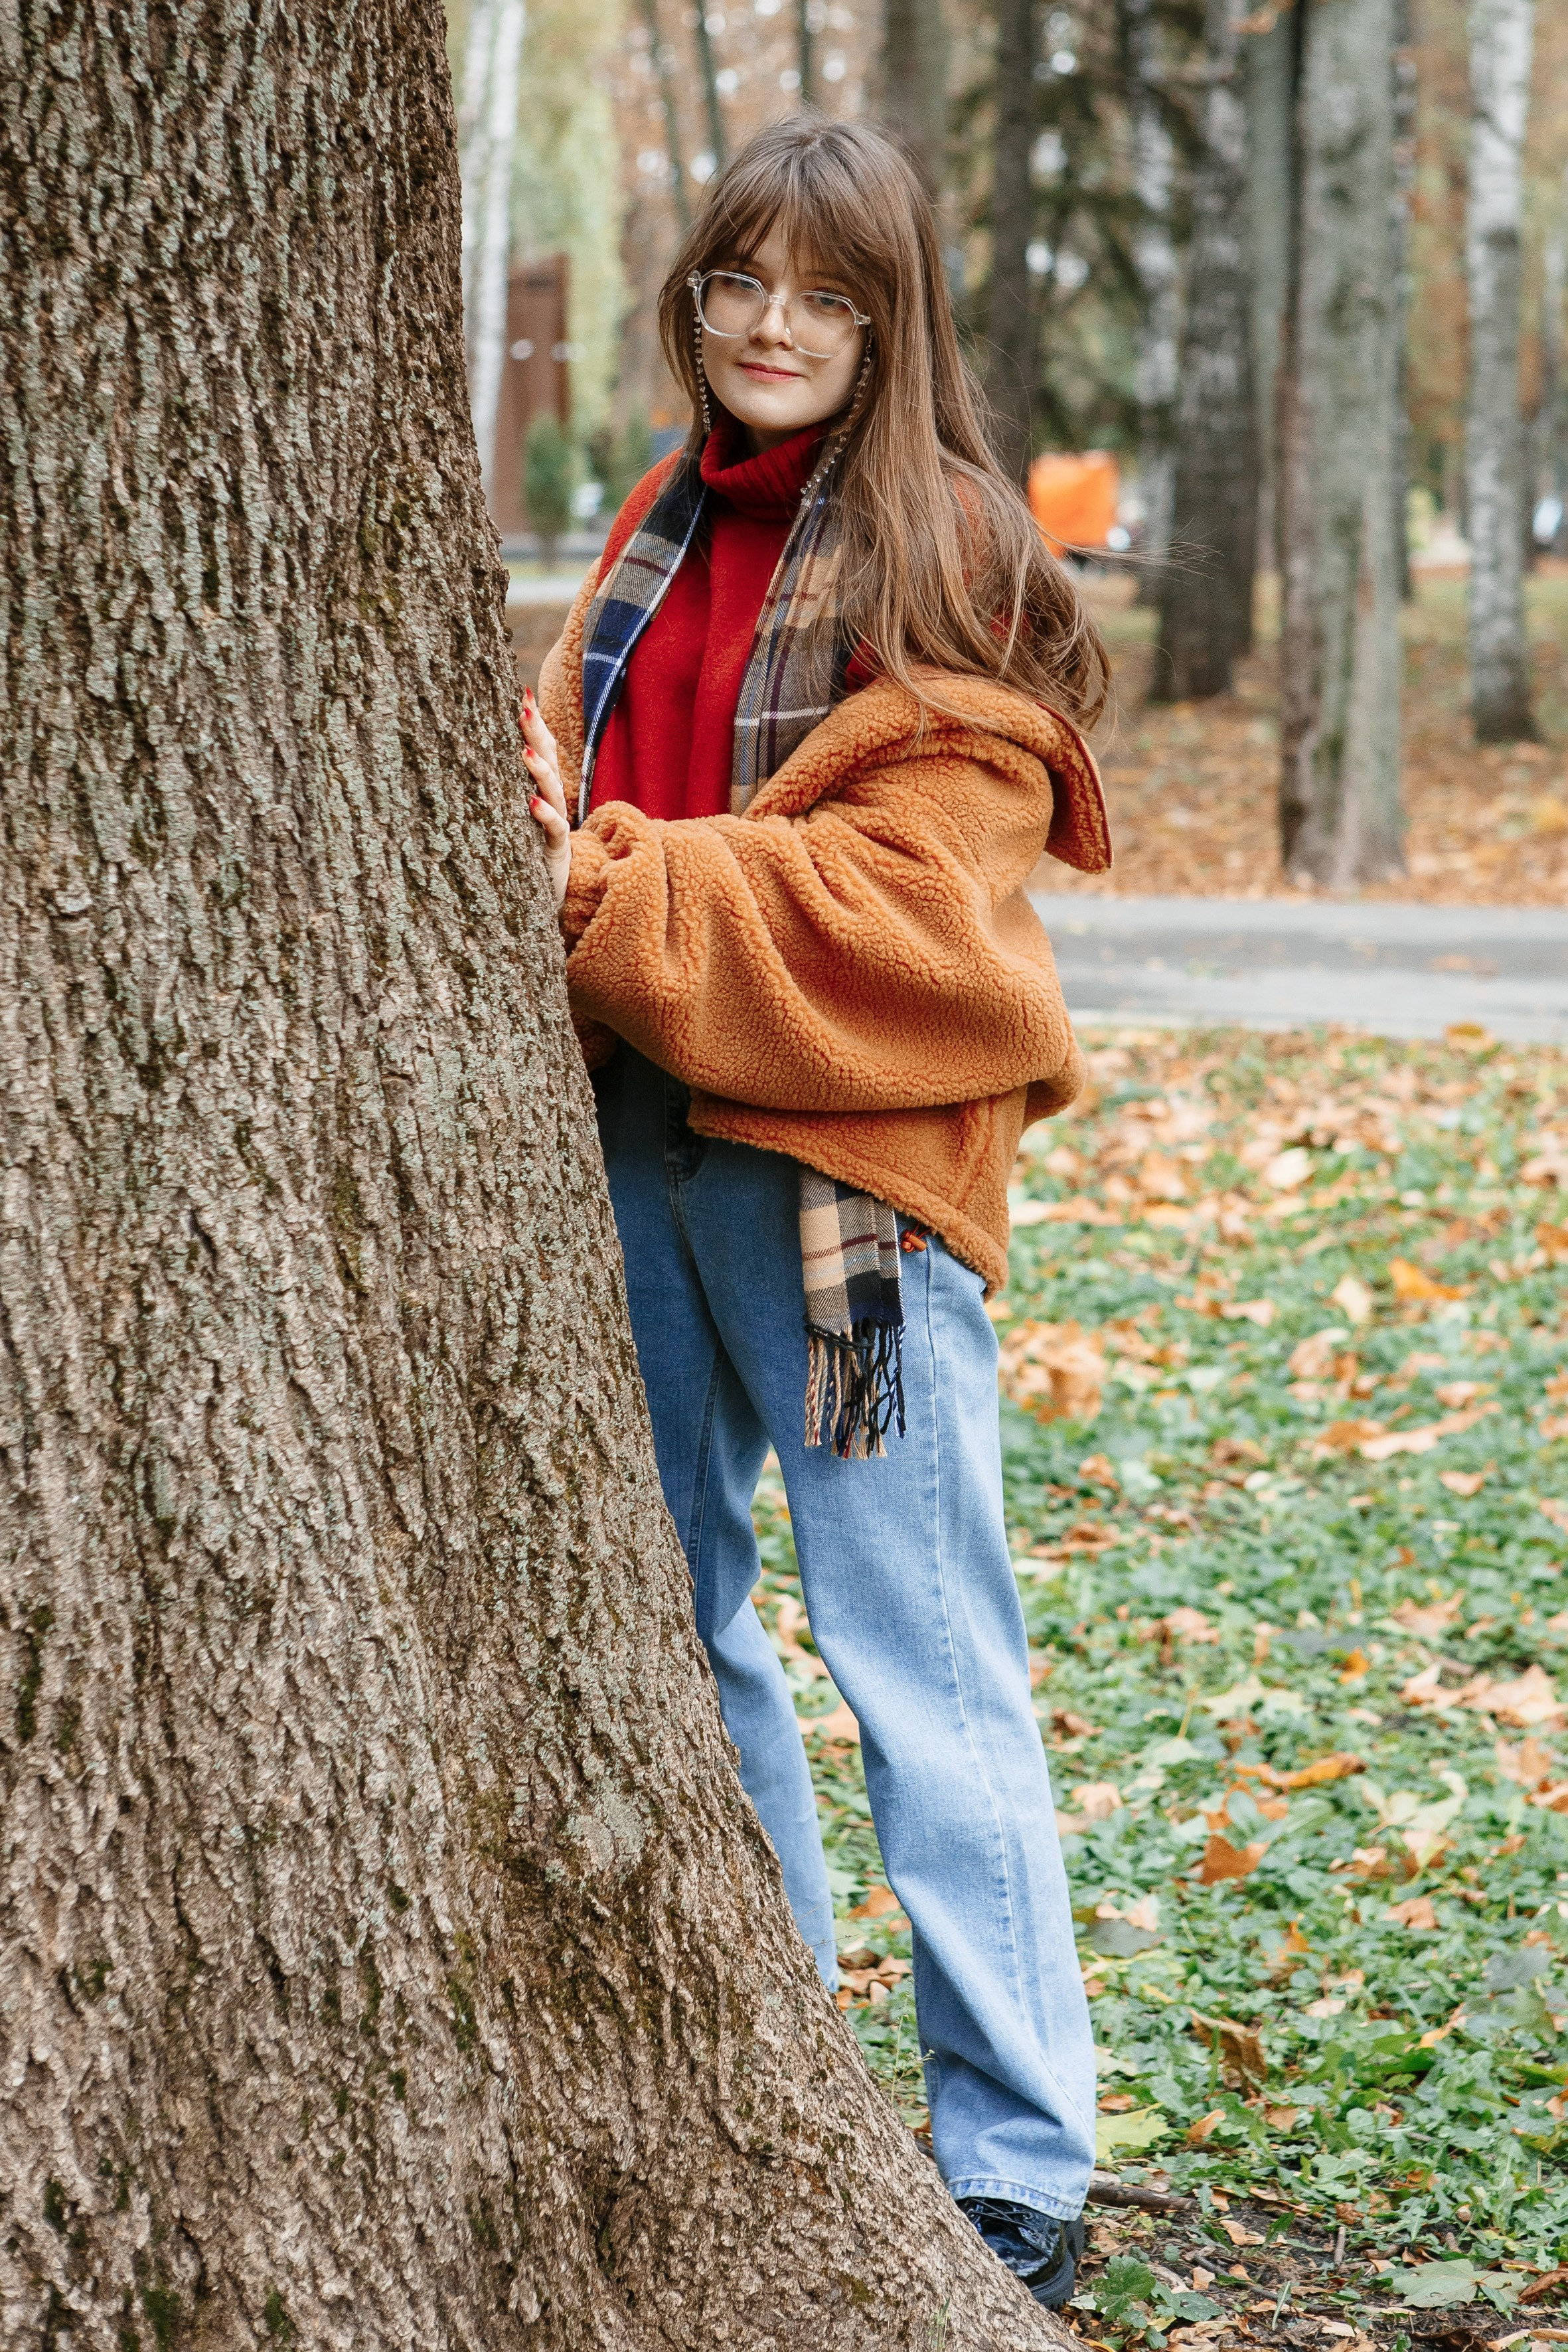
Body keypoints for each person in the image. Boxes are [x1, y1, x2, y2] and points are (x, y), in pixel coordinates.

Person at [522, 112, 1111, 2311]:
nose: (772, 327)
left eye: (826, 294)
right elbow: (555, 761)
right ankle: (777, 2093)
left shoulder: (953, 555)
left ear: (890, 318)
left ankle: (1019, 2164)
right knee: (674, 1636)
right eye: (738, 283)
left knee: (922, 1671)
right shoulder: (661, 518)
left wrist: (599, 875)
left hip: (839, 1189)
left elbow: (913, 909)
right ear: (694, 300)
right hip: (636, 1138)